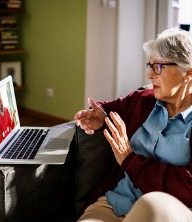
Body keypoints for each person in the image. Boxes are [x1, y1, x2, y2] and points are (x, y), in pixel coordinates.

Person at [74, 28, 192, 222]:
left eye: (158, 67)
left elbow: (187, 187)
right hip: (117, 204)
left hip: (167, 214)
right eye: (149, 66)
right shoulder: (143, 101)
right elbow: (110, 107)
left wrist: (129, 160)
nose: (150, 75)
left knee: (152, 205)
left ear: (187, 73)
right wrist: (100, 116)